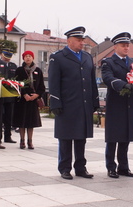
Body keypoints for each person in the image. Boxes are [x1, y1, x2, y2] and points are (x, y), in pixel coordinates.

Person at [48, 26, 99, 180]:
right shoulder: (58, 57)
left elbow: (91, 81)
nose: (81, 43)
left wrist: (94, 101)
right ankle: (64, 168)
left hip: (83, 104)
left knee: (81, 137)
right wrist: (55, 103)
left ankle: (81, 167)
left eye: (82, 40)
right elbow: (53, 82)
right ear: (69, 41)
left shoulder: (87, 57)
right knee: (65, 137)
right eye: (78, 40)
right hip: (67, 104)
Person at [101, 32, 133, 179]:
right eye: (123, 45)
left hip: (130, 103)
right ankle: (111, 167)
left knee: (126, 136)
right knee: (113, 137)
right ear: (115, 47)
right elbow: (108, 78)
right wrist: (124, 85)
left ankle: (123, 167)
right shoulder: (108, 62)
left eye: (127, 45)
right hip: (116, 103)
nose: (126, 48)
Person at [12, 50, 45, 150]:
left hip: (33, 100)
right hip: (22, 100)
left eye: (30, 56)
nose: (28, 58)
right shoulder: (19, 70)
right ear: (23, 58)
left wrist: (37, 95)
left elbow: (41, 86)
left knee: (31, 122)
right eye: (26, 56)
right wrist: (24, 94)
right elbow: (16, 84)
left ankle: (30, 141)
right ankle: (22, 140)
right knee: (22, 121)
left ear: (33, 58)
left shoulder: (38, 70)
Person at [1, 48, 17, 143]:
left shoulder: (13, 66)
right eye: (5, 57)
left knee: (8, 117)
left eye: (9, 57)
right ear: (2, 55)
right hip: (0, 95)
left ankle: (8, 136)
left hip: (10, 95)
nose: (7, 59)